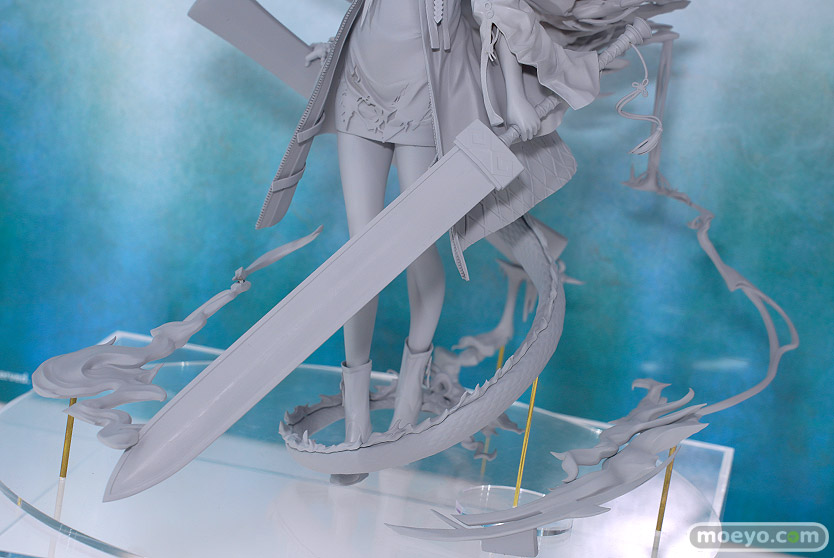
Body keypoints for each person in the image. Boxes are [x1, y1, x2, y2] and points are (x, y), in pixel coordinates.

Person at [303, 0, 600, 447]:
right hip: (360, 81)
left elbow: (498, 9)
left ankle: (412, 384)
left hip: (425, 89)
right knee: (360, 256)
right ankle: (355, 411)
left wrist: (515, 94)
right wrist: (335, 46)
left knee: (418, 246)